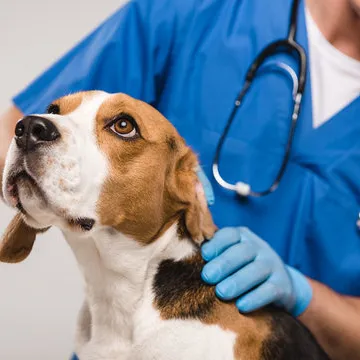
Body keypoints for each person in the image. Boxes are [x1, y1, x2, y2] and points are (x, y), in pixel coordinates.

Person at [1, 0, 360, 359]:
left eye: (122, 126)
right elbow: (14, 139)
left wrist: (303, 294)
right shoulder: (190, 11)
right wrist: (44, 194)